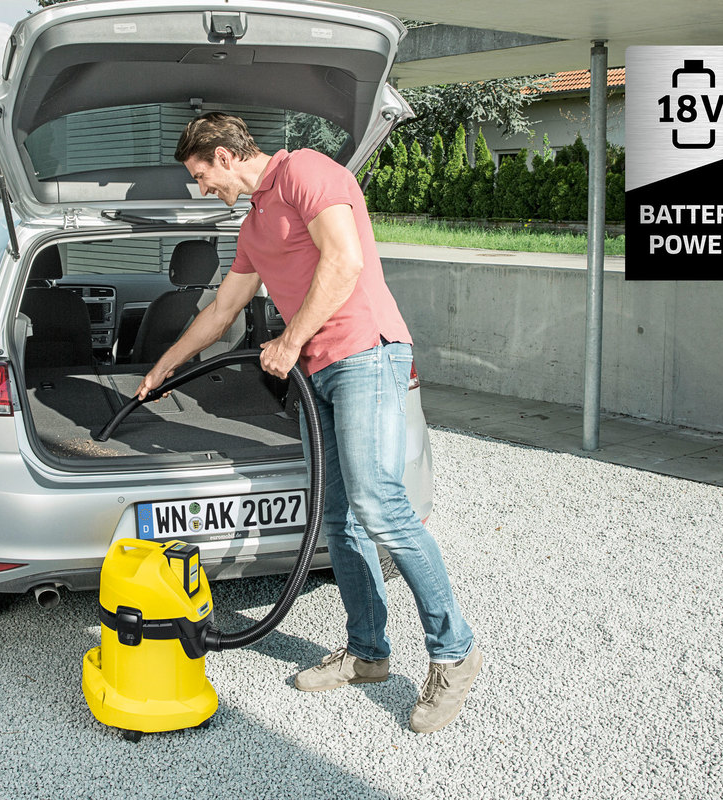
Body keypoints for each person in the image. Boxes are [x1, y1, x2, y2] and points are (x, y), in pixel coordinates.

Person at [135, 112, 482, 733]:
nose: (202, 188)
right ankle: (368, 652)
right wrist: (164, 367)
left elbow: (344, 261)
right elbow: (222, 309)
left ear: (223, 156)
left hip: (365, 353)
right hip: (317, 369)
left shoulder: (304, 172)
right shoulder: (253, 224)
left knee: (380, 506)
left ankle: (454, 652)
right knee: (338, 518)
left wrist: (290, 341)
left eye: (201, 175)